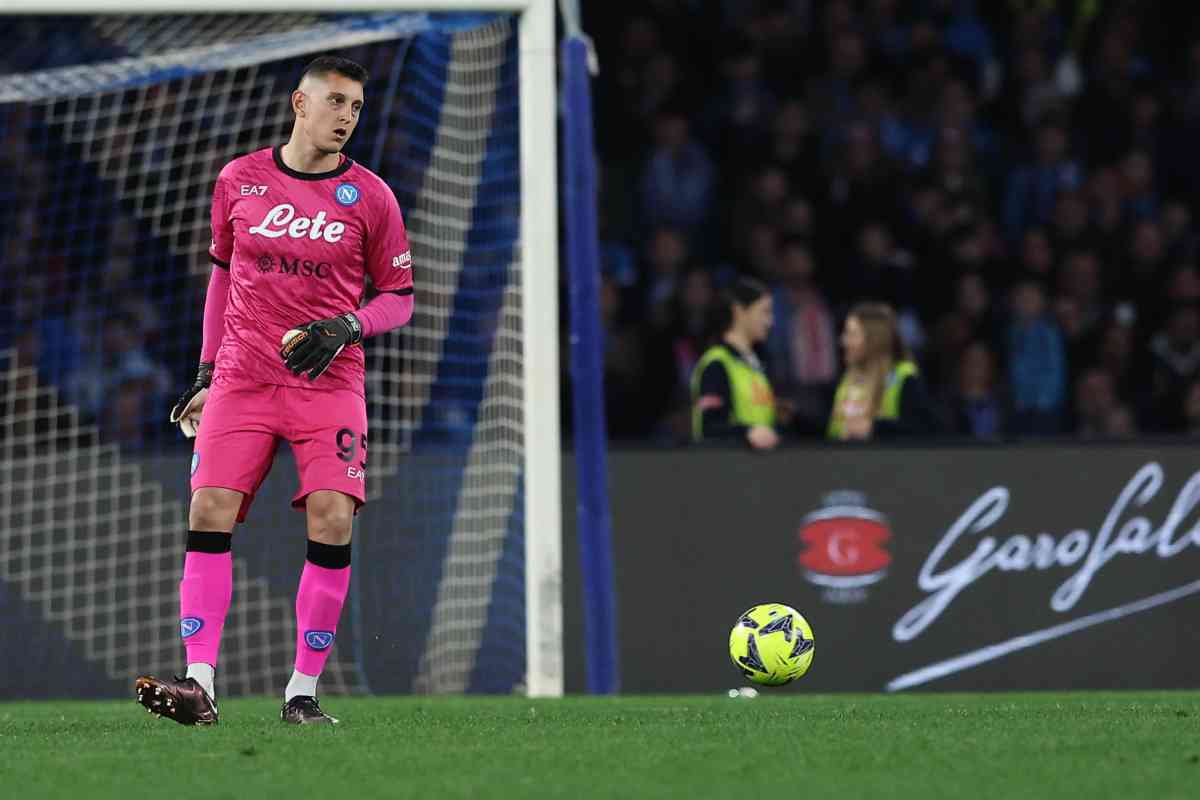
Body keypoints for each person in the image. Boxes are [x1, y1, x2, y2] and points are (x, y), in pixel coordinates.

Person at [135, 56, 415, 727]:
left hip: (329, 384)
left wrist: (348, 324)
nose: (347, 117)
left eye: (356, 107)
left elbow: (399, 299)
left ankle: (301, 692)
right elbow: (223, 278)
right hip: (243, 376)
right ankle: (199, 683)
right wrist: (206, 374)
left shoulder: (372, 197)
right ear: (300, 102)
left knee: (331, 518)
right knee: (208, 508)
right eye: (337, 102)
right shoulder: (239, 180)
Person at [690, 277, 780, 450]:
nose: (771, 321)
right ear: (739, 311)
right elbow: (709, 427)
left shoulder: (758, 366)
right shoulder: (716, 364)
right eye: (765, 312)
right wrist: (747, 431)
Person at [827, 302, 938, 440]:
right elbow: (831, 429)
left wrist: (875, 428)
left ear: (874, 339)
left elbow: (925, 429)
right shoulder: (848, 378)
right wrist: (798, 418)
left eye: (852, 334)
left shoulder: (904, 378)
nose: (843, 341)